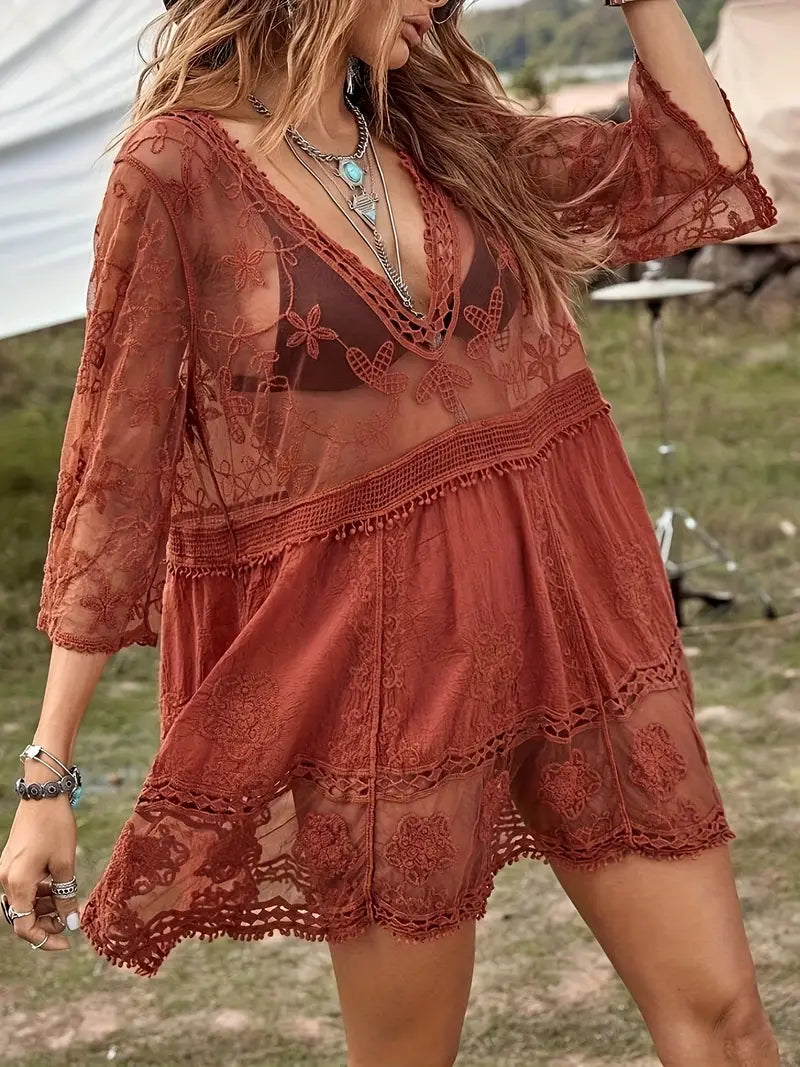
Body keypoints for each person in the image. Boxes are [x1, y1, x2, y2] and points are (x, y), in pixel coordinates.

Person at [0, 0, 782, 1063]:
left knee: (726, 1021)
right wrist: (48, 771)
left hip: (575, 624)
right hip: (382, 680)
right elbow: (115, 473)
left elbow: (697, 167)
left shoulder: (442, 131)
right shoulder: (178, 171)